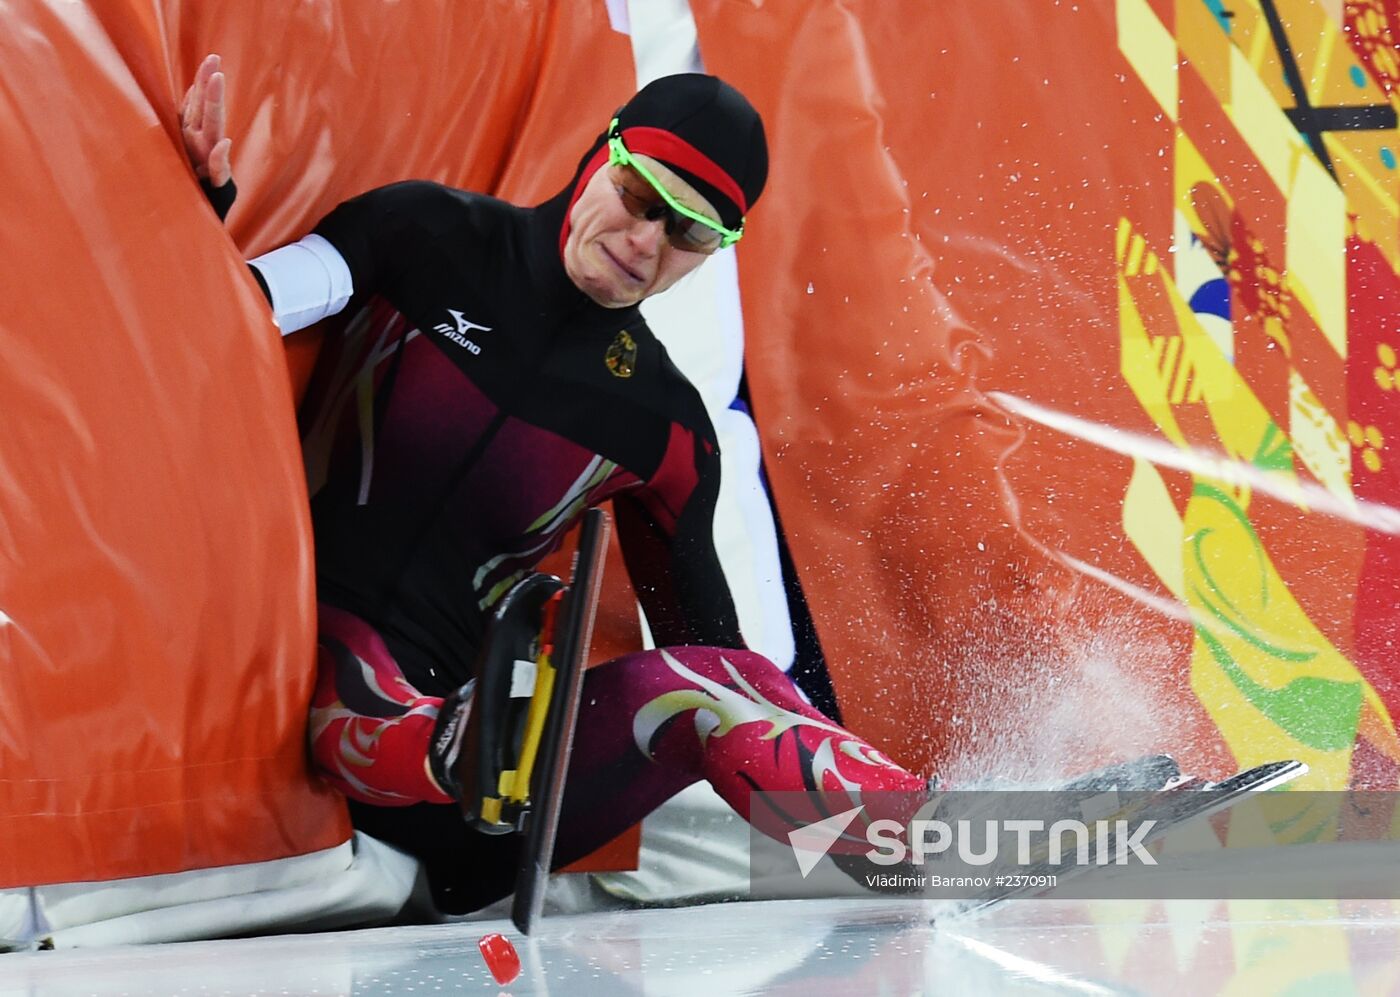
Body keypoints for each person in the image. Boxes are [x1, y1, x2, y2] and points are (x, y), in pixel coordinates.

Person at [181, 54, 927, 915]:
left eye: (689, 233)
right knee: (357, 658)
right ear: (600, 153)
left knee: (708, 685)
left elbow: (721, 666)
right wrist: (205, 208)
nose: (646, 242)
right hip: (314, 681)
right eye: (641, 196)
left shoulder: (664, 424)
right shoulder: (424, 234)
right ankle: (461, 740)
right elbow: (245, 307)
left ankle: (943, 841)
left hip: (482, 809)